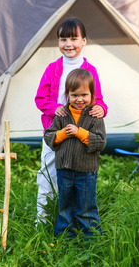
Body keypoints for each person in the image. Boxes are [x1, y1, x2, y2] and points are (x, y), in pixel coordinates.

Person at [35, 17, 108, 223]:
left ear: (84, 40)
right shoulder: (52, 68)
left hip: (81, 135)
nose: (68, 44)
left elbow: (98, 99)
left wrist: (101, 109)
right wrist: (54, 108)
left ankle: (77, 218)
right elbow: (40, 98)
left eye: (74, 38)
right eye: (63, 39)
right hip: (55, 133)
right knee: (48, 175)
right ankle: (42, 219)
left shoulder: (90, 70)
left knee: (76, 178)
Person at [44, 68, 106, 238]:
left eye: (84, 95)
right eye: (74, 95)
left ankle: (92, 239)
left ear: (92, 95)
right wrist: (63, 133)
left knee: (86, 206)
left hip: (86, 171)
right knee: (65, 205)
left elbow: (100, 142)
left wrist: (79, 132)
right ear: (67, 95)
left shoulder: (95, 116)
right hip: (64, 169)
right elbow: (48, 136)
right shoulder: (62, 115)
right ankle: (64, 238)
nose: (79, 99)